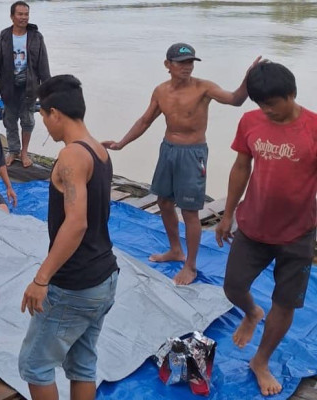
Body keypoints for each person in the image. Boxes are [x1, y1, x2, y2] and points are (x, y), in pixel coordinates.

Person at [102, 43, 261, 285]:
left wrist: (247, 79)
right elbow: (145, 120)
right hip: (168, 150)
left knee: (189, 211)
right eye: (181, 62)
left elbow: (235, 100)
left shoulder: (203, 88)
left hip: (192, 153)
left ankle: (191, 265)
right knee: (164, 201)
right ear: (168, 65)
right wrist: (122, 143)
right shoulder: (161, 91)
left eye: (190, 63)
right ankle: (176, 250)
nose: (187, 67)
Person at [215, 62, 316, 397]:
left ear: (291, 94)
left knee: (285, 303)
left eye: (272, 103)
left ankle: (261, 360)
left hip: (298, 234)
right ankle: (251, 312)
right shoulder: (250, 121)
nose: (267, 111)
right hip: (253, 227)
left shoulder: (313, 128)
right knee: (232, 287)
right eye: (261, 105)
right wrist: (227, 214)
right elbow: (241, 165)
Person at [18, 75, 118, 400]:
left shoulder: (72, 157)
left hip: (76, 285)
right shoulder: (100, 151)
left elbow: (76, 224)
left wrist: (41, 278)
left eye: (44, 116)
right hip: (105, 277)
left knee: (35, 365)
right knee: (82, 364)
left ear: (55, 113)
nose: (45, 125)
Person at [0, 0, 51, 168]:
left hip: (30, 86)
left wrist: (48, 89)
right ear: (12, 16)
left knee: (28, 120)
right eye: (20, 14)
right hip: (9, 86)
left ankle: (24, 152)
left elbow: (43, 64)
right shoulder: (4, 37)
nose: (24, 17)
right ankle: (13, 150)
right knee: (10, 119)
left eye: (26, 14)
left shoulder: (36, 37)